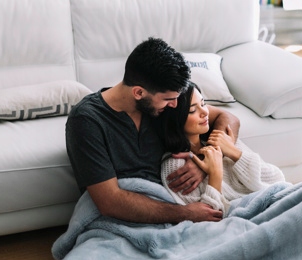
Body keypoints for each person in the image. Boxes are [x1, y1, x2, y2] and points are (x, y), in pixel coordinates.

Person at [65, 37, 240, 224]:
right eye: (168, 99)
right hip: (133, 214)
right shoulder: (87, 121)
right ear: (139, 93)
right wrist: (186, 214)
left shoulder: (162, 103)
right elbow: (109, 202)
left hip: (171, 200)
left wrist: (206, 161)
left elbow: (228, 118)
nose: (175, 105)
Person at [160, 83, 285, 215]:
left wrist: (234, 152)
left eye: (203, 104)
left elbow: (277, 178)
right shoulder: (178, 166)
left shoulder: (219, 140)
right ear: (175, 119)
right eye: (192, 110)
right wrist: (215, 174)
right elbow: (209, 217)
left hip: (273, 201)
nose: (205, 112)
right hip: (251, 217)